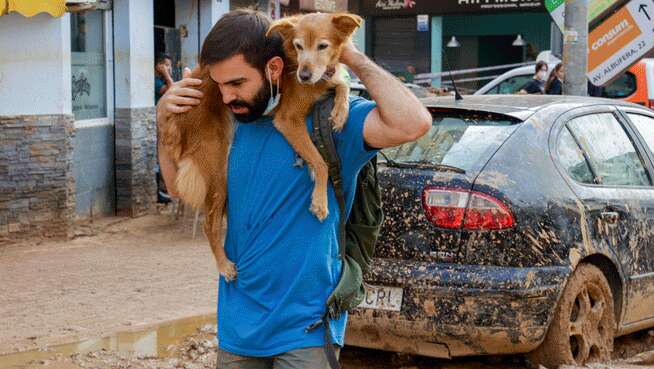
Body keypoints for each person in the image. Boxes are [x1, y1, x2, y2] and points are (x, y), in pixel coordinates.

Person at [156, 9, 431, 369]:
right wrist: (164, 124)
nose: (226, 97)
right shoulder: (226, 123)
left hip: (307, 330)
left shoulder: (329, 119)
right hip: (239, 329)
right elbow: (177, 188)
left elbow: (414, 123)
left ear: (273, 69)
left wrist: (343, 50)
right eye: (219, 85)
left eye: (237, 83)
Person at [154, 53, 175, 203]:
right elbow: (172, 91)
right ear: (158, 66)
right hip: (157, 123)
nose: (170, 68)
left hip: (164, 123)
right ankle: (161, 190)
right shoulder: (156, 82)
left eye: (170, 66)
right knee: (160, 158)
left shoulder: (161, 81)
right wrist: (167, 74)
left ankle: (163, 190)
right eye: (166, 65)